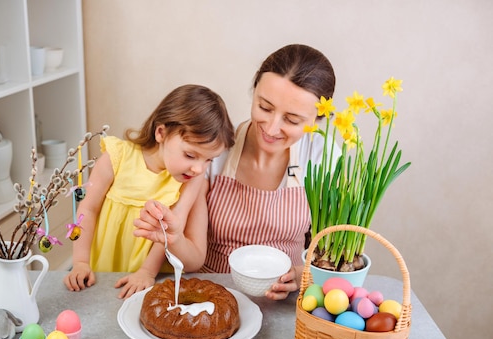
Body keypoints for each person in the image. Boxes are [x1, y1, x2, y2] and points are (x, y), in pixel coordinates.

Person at [134, 44, 340, 301]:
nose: (272, 128)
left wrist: (302, 275)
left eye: (292, 120)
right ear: (254, 94)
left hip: (285, 302)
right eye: (264, 107)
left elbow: (337, 252)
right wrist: (173, 239)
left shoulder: (323, 156)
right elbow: (191, 261)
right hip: (211, 293)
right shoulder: (214, 151)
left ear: (319, 118)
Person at [63, 84, 235, 299]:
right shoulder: (116, 158)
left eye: (209, 159)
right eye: (190, 155)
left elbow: (171, 233)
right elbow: (87, 210)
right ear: (161, 132)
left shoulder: (191, 181)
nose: (199, 169)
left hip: (149, 286)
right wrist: (79, 262)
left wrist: (147, 271)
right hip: (100, 275)